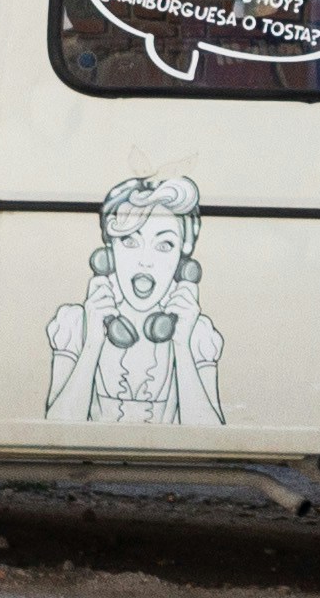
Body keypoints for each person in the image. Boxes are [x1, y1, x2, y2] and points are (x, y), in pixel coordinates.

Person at [44, 175, 225, 424]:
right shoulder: (75, 323)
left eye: (164, 245)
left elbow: (211, 439)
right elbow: (54, 429)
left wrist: (182, 345)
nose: (145, 260)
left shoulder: (196, 332)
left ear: (182, 264)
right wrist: (93, 343)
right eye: (130, 241)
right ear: (108, 253)